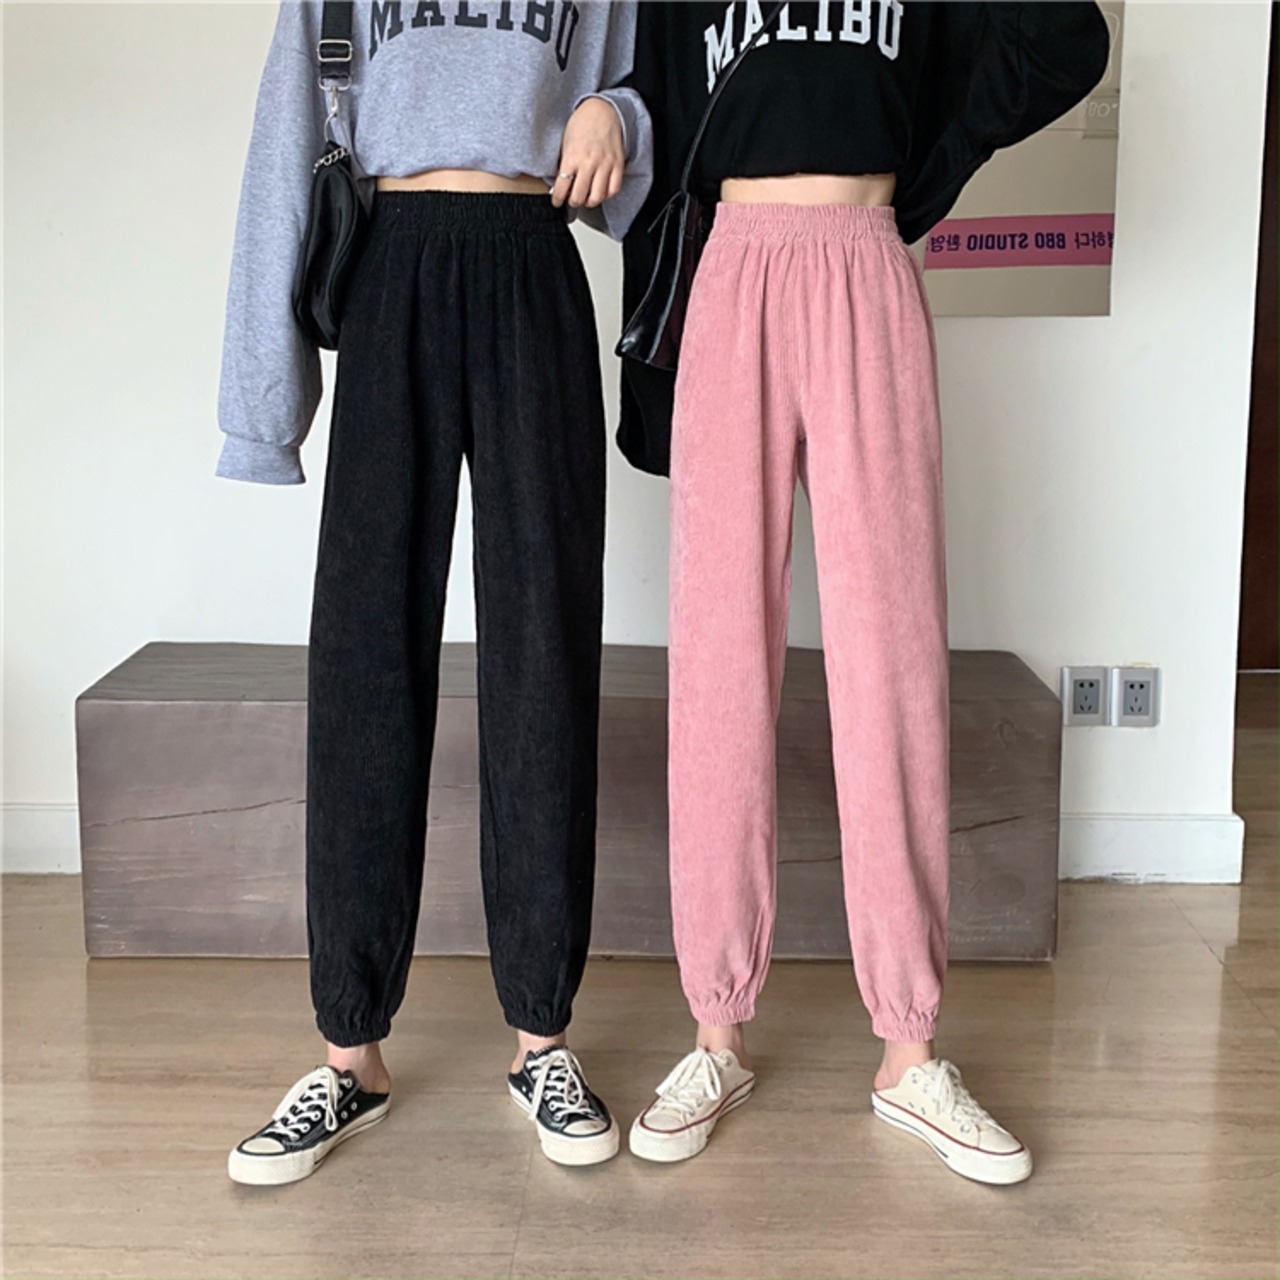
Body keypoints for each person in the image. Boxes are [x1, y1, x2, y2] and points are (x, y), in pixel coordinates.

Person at [618, 0, 1108, 1183]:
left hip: (865, 268)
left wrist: (929, 175)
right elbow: (660, 138)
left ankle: (908, 1046)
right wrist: (644, 385)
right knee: (718, 662)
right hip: (732, 274)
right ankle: (715, 1030)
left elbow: (1065, 37)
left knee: (890, 658)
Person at [217, 0, 651, 1184]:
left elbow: (644, 120)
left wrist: (618, 115)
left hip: (532, 267)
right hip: (390, 267)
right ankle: (349, 1051)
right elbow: (286, 146)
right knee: (364, 660)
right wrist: (261, 414)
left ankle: (540, 1036)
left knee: (542, 653)